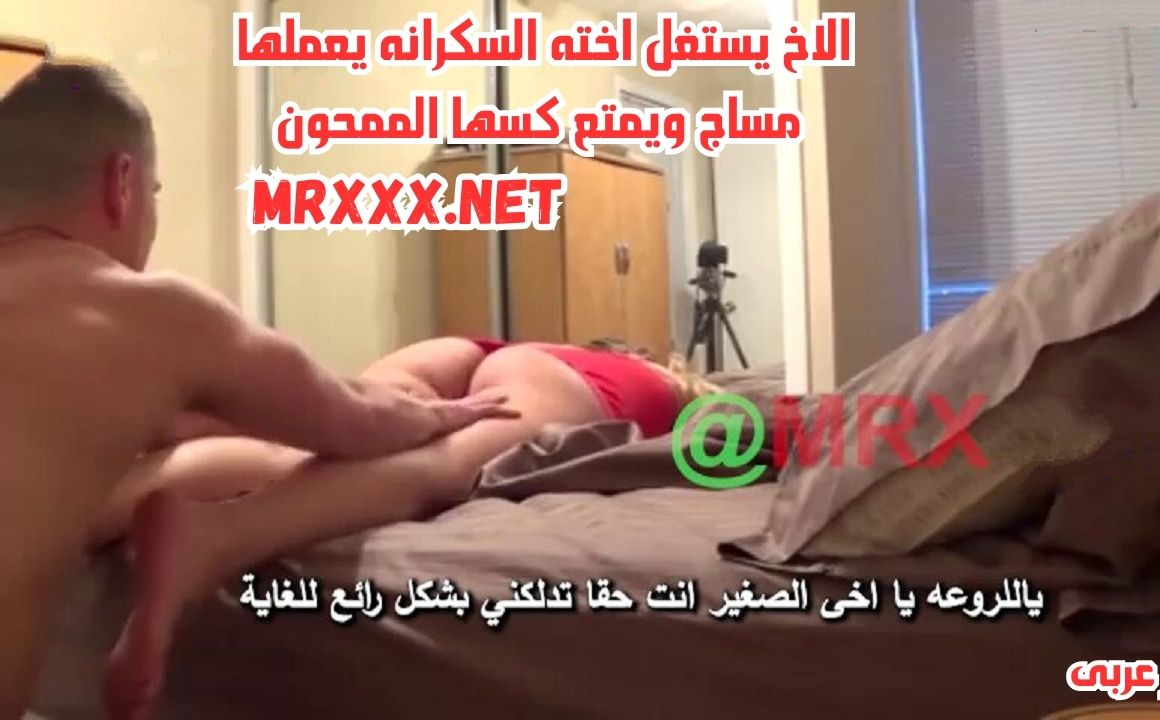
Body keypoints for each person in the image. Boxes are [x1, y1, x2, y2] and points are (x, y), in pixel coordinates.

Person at [0, 61, 512, 720]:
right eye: (154, 191)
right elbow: (359, 420)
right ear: (121, 182)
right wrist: (445, 413)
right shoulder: (143, 313)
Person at [97, 335, 717, 719]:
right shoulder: (662, 384)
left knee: (325, 443)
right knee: (434, 467)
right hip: (576, 385)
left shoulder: (559, 347)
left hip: (470, 350)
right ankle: (218, 536)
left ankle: (93, 504)